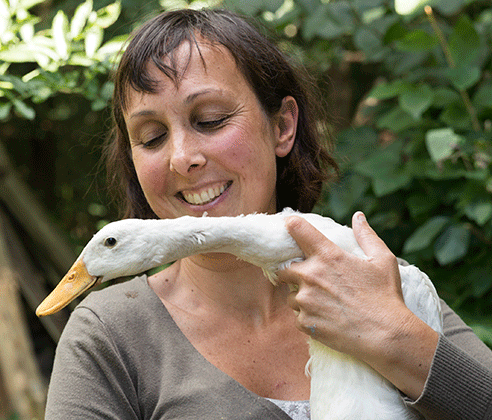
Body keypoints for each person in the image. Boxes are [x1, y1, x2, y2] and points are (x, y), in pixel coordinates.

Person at [45, 8, 492, 420]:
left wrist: (393, 336)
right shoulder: (109, 339)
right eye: (151, 136)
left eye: (212, 119)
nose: (182, 158)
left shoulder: (388, 286)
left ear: (282, 127)